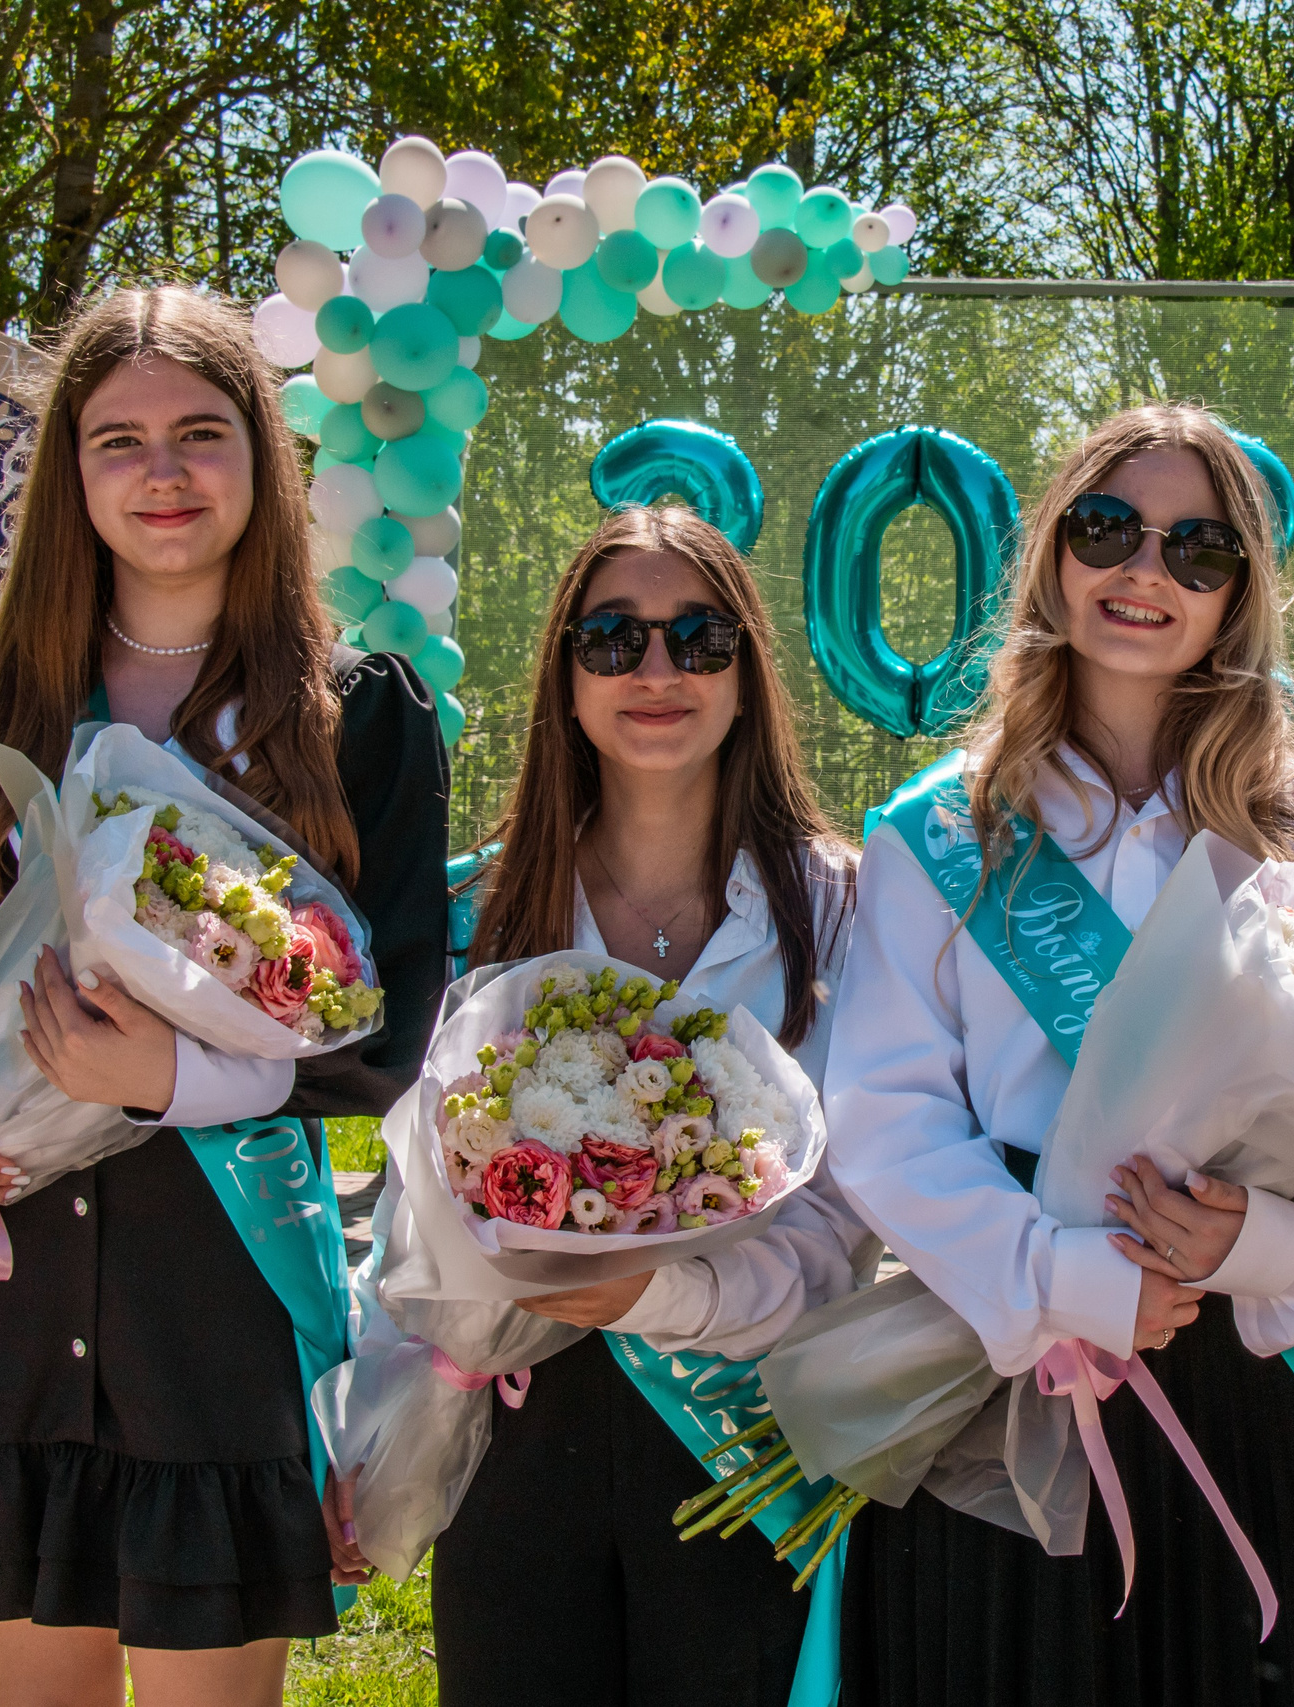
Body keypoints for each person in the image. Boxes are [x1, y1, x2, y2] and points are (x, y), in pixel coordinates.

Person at [0, 285, 450, 1707]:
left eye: (202, 433)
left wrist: (166, 1079)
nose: (164, 472)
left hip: (212, 1310)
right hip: (1, 1299)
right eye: (119, 440)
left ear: (262, 458)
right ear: (70, 472)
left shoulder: (358, 716)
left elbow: (390, 1035)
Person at [825, 403, 1294, 1706]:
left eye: (1198, 549)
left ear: (1240, 591)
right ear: (1052, 554)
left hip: (1259, 1368)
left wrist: (1259, 1245)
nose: (1146, 571)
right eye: (1108, 529)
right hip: (1009, 1362)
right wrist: (1064, 1278)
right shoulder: (942, 829)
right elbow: (883, 1113)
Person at [395, 504, 874, 1707]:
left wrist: (659, 1294)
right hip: (516, 1432)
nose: (656, 671)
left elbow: (852, 1222)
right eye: (612, 639)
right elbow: (413, 1211)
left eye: (699, 638)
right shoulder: (475, 910)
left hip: (749, 1441)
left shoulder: (849, 910)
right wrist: (380, 1424)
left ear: (747, 676)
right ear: (564, 679)